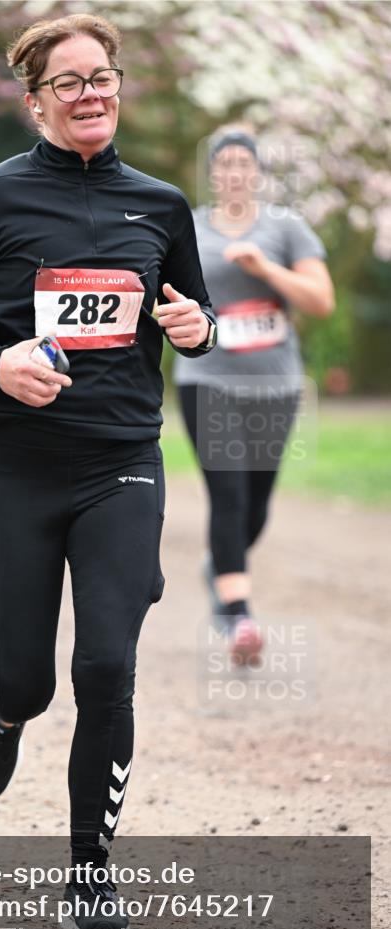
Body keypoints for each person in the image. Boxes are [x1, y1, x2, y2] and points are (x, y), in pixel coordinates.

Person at [0, 13, 216, 929]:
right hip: (13, 464)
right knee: (28, 682)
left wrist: (198, 329)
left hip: (120, 463)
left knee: (107, 667)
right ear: (35, 101)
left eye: (102, 77)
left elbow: (192, 309)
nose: (91, 94)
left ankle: (89, 870)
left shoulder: (160, 204)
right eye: (70, 82)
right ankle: (2, 714)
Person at [173, 126, 334, 662]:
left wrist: (265, 268)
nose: (236, 173)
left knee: (258, 502)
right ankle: (239, 615)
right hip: (207, 379)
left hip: (275, 384)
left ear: (259, 174)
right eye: (226, 164)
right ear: (213, 174)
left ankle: (222, 565)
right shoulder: (191, 228)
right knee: (229, 493)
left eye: (245, 164)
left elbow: (321, 301)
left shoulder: (286, 228)